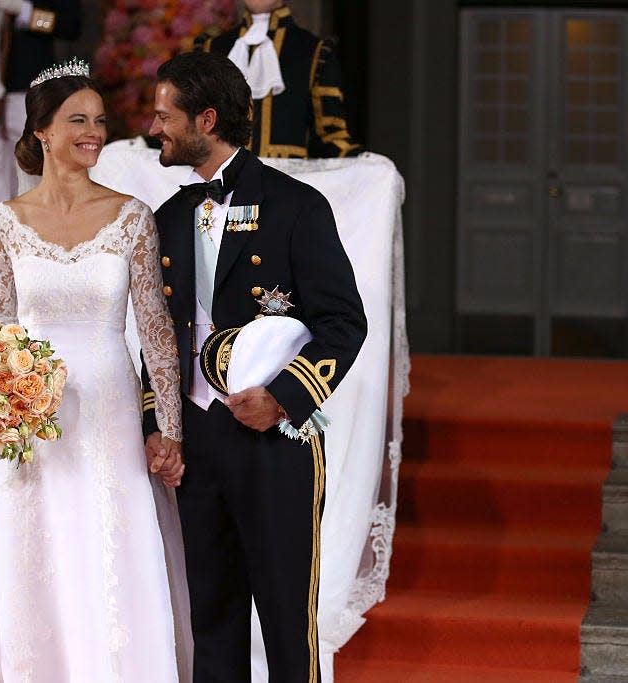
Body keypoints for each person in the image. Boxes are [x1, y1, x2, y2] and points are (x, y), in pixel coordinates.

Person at [142, 50, 367, 682]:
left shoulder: (298, 207)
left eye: (165, 116)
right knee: (211, 622)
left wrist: (286, 397)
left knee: (287, 626)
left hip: (275, 440)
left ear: (206, 119)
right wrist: (158, 425)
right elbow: (156, 340)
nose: (153, 129)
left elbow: (344, 321)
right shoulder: (169, 217)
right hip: (198, 442)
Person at [0, 60, 187, 682]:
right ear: (41, 129)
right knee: (44, 548)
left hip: (109, 413)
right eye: (78, 119)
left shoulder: (132, 217)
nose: (93, 132)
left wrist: (168, 428)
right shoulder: (4, 224)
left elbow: (156, 335)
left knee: (109, 541)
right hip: (32, 423)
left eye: (99, 120)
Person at [0, 0, 81, 289]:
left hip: (28, 91)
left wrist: (29, 15)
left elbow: (69, 25)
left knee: (30, 181)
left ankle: (33, 273)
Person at [194, 0, 361, 159]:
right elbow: (196, 128)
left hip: (286, 182)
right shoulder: (210, 49)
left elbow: (329, 138)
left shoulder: (315, 52)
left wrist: (365, 164)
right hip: (222, 184)